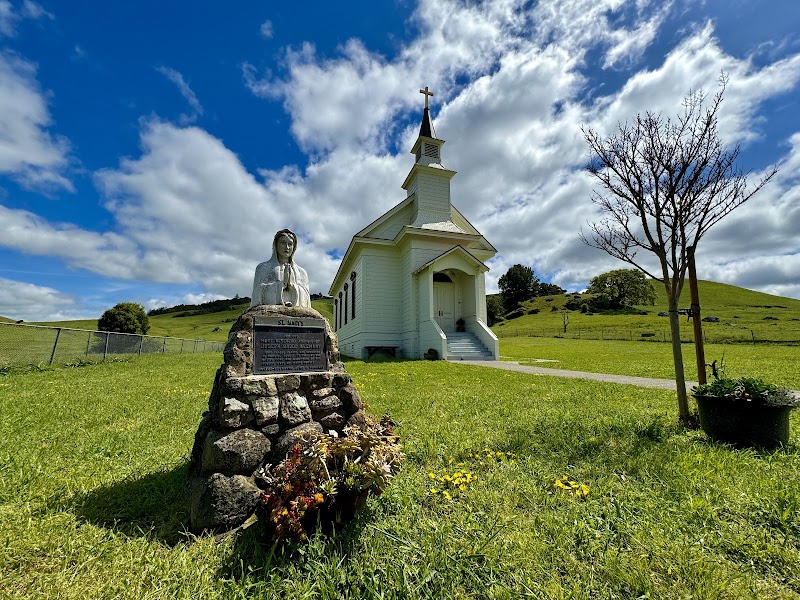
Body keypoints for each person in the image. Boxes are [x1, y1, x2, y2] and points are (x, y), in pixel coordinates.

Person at [250, 229, 311, 307]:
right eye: (283, 243)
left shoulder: (301, 272)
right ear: (276, 245)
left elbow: (306, 299)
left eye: (290, 244)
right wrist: (281, 285)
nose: (287, 247)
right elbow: (257, 294)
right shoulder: (263, 268)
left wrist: (291, 285)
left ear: (294, 247)